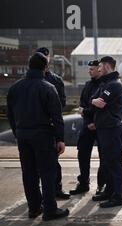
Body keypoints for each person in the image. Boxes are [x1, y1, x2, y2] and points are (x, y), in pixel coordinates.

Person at [6, 52, 69, 221]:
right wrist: (60, 139)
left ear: (29, 66)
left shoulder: (15, 88)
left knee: (29, 173)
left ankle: (34, 208)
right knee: (48, 172)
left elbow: (10, 114)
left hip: (22, 135)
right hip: (42, 135)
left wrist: (17, 133)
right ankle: (50, 210)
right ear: (45, 67)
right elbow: (57, 117)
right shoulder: (48, 87)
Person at [91, 56, 122, 208]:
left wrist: (94, 101)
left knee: (115, 163)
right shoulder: (106, 83)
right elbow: (92, 99)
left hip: (111, 128)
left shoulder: (114, 85)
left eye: (100, 66)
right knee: (107, 163)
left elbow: (99, 103)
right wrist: (93, 100)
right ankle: (110, 191)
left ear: (106, 66)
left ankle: (118, 196)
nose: (98, 69)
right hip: (104, 128)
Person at [36, 47, 70, 200]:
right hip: (42, 126)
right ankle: (40, 195)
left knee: (53, 163)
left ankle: (56, 190)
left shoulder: (55, 80)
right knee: (36, 166)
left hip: (48, 127)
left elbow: (61, 103)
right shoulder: (32, 81)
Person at [70, 60, 106, 196]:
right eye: (89, 69)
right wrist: (89, 120)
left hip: (101, 126)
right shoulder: (88, 85)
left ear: (99, 69)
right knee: (83, 153)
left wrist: (94, 121)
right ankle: (83, 182)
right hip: (87, 125)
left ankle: (102, 184)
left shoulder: (105, 86)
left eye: (92, 69)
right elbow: (83, 105)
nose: (89, 71)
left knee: (104, 156)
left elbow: (102, 108)